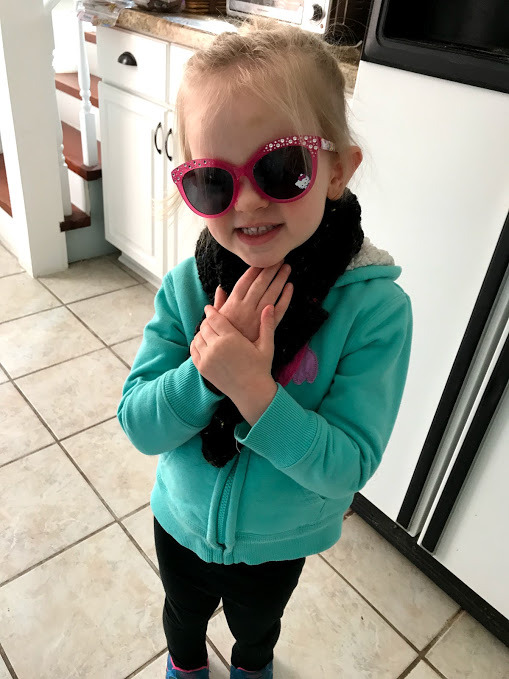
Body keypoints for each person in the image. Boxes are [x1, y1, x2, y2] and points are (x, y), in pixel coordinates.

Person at [117, 15, 413, 679]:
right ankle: (186, 666)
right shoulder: (188, 287)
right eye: (213, 181)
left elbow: (346, 467)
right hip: (181, 520)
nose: (247, 202)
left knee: (256, 630)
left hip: (280, 541)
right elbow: (138, 422)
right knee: (182, 616)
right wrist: (204, 372)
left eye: (281, 167)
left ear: (336, 169)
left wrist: (254, 390)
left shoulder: (375, 311)